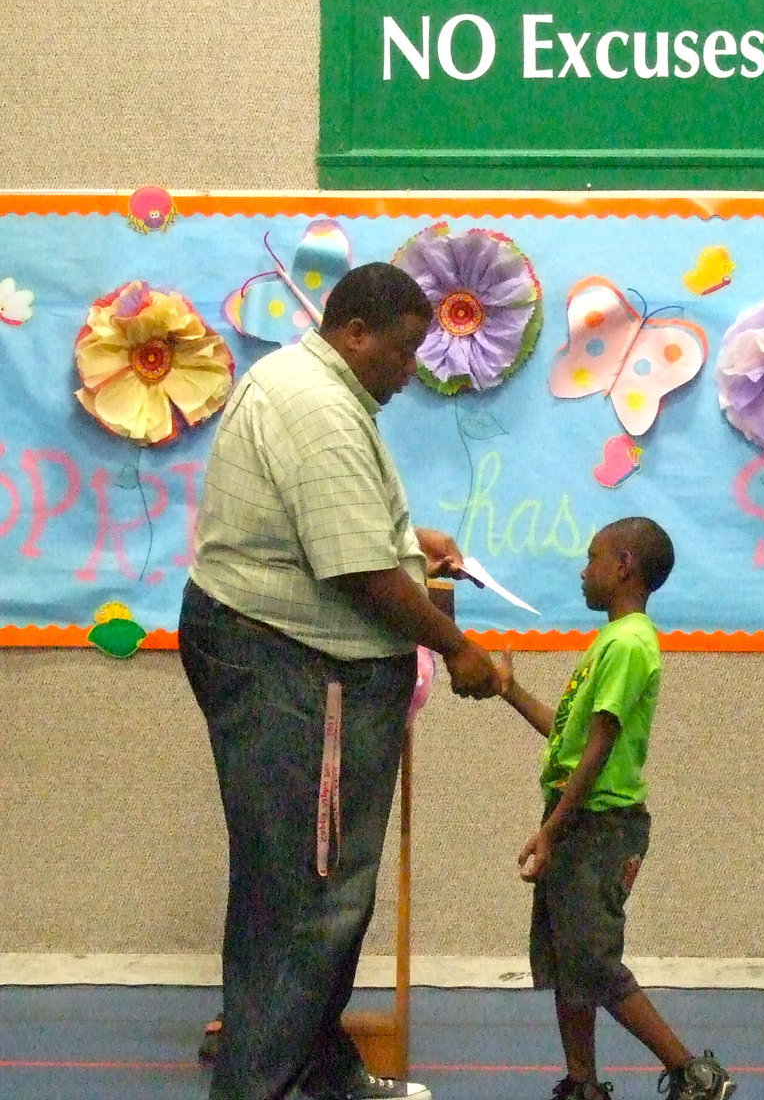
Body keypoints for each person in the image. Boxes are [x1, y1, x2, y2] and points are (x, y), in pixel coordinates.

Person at [178, 261, 501, 1100]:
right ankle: (263, 1089)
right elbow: (359, 570)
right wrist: (457, 649)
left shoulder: (304, 381)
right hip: (289, 661)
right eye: (401, 351)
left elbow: (347, 530)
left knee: (309, 888)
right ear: (354, 332)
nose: (410, 369)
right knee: (304, 898)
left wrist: (407, 539)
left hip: (282, 651)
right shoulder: (318, 407)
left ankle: (320, 1073)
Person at [497, 518, 735, 1100]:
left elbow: (600, 749)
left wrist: (551, 830)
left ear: (624, 564)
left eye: (593, 557)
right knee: (567, 960)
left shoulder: (629, 643)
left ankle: (696, 1075)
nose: (584, 569)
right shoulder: (610, 641)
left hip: (600, 826)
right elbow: (569, 737)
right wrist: (509, 690)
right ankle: (582, 1084)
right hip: (578, 818)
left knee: (595, 962)